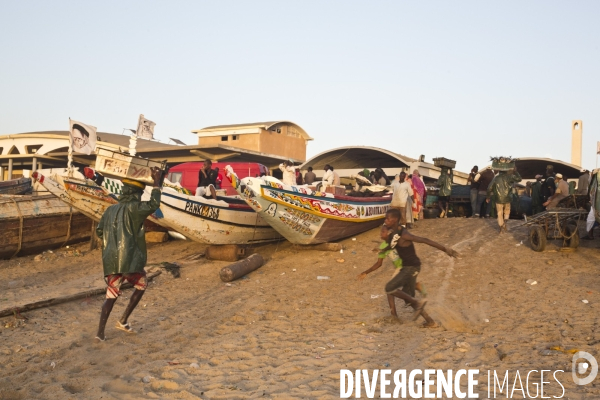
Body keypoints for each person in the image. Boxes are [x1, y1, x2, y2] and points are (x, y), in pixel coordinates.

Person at [357, 208, 459, 327]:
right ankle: (430, 322)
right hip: (410, 267)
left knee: (389, 288)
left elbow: (424, 240)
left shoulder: (404, 233)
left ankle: (416, 303)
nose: (385, 220)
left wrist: (446, 249)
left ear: (395, 220)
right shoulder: (393, 233)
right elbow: (390, 246)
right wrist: (381, 250)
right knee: (408, 298)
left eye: (388, 218)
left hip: (411, 267)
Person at [95, 168, 162, 341]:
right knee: (142, 284)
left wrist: (111, 245)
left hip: (111, 262)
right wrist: (156, 182)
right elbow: (154, 204)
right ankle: (123, 320)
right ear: (137, 193)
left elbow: (100, 231)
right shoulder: (135, 208)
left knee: (111, 295)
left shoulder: (110, 210)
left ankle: (100, 333)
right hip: (129, 262)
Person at [486, 166, 522, 233]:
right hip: (507, 198)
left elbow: (489, 188)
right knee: (507, 211)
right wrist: (515, 171)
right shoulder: (509, 177)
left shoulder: (496, 178)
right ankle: (505, 223)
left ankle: (500, 227)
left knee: (499, 213)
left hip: (499, 199)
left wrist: (488, 197)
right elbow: (519, 179)